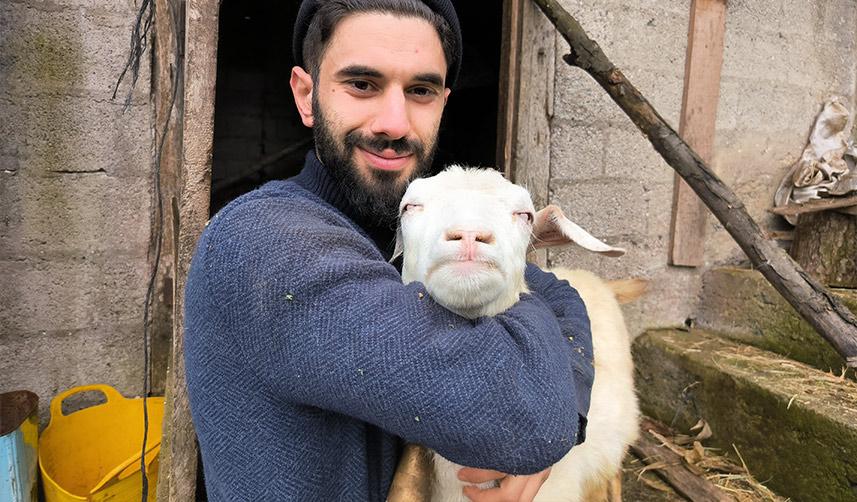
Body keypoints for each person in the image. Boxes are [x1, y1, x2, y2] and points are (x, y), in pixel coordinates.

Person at [183, 1, 594, 500]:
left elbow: (560, 296)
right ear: (306, 95)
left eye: (420, 91)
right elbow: (529, 415)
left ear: (443, 103)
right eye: (362, 84)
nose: (395, 124)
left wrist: (565, 400)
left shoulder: (400, 231)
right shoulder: (263, 243)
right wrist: (544, 414)